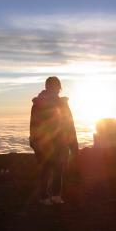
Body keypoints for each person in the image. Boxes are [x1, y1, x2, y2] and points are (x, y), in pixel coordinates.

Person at [29, 76, 78, 205]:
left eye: (56, 87)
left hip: (60, 142)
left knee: (58, 169)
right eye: (52, 86)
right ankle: (44, 197)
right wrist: (35, 143)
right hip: (44, 142)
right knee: (45, 169)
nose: (55, 89)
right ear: (47, 87)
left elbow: (69, 125)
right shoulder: (39, 104)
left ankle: (56, 195)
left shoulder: (62, 104)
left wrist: (73, 145)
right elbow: (34, 125)